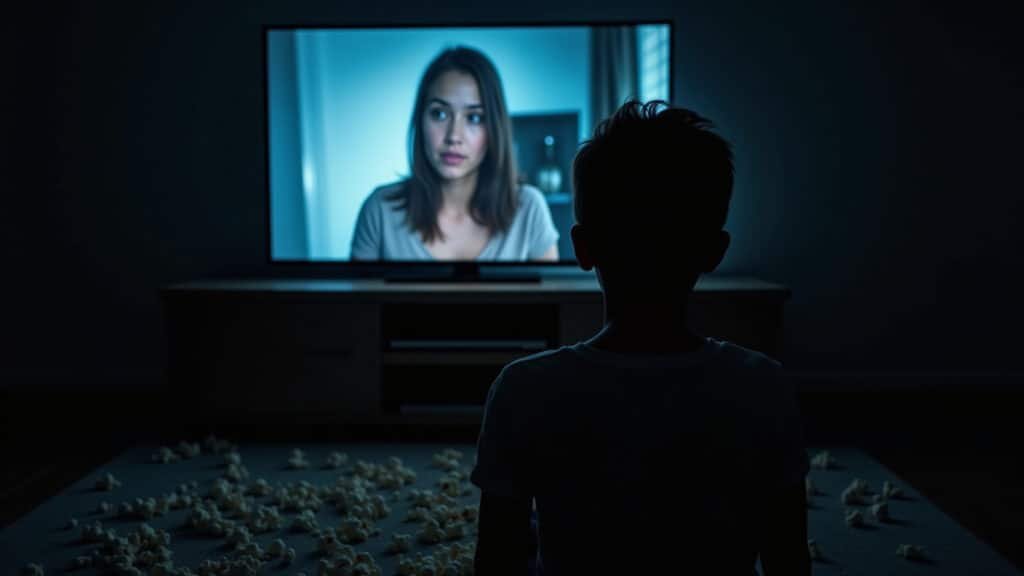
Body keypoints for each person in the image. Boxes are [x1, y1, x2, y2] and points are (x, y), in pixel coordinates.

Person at [471, 100, 810, 575]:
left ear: (581, 248)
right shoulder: (763, 386)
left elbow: (497, 562)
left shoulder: (523, 390)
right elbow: (789, 558)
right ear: (715, 253)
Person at [350, 46, 559, 262]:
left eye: (474, 118)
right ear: (420, 121)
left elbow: (549, 296)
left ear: (495, 128)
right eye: (439, 114)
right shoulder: (380, 210)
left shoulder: (529, 208)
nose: (454, 136)